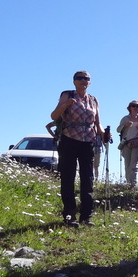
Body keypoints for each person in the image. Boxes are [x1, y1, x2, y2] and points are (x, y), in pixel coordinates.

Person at [50, 70, 105, 227]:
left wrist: (104, 134)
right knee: (68, 177)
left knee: (87, 178)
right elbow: (54, 116)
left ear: (90, 82)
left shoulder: (93, 100)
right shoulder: (67, 95)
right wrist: (65, 105)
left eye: (86, 78)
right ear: (74, 81)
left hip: (88, 141)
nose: (83, 81)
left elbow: (97, 122)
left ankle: (86, 216)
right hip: (69, 139)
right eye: (80, 78)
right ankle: (70, 215)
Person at [117, 100, 138, 188]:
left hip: (136, 144)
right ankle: (128, 183)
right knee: (127, 164)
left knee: (134, 164)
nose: (135, 108)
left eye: (137, 106)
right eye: (133, 106)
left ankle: (132, 184)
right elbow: (118, 130)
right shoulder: (125, 119)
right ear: (130, 108)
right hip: (126, 143)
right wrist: (125, 126)